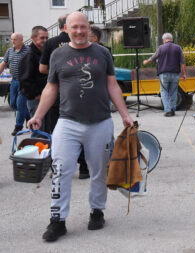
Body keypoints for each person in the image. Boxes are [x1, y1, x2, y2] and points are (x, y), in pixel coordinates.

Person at [27, 12, 134, 242]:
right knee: (60, 170)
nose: (79, 31)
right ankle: (58, 220)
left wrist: (125, 115)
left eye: (83, 27)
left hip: (100, 122)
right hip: (67, 122)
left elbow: (112, 85)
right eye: (74, 27)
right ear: (66, 28)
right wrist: (37, 115)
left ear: (89, 28)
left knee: (98, 171)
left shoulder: (103, 53)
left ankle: (97, 211)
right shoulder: (58, 54)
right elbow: (51, 88)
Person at [40, 14, 89, 179]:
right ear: (67, 26)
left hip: (59, 95)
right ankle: (84, 168)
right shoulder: (81, 43)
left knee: (58, 133)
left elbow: (42, 68)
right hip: (81, 92)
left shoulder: (50, 43)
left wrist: (60, 74)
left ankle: (59, 168)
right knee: (82, 132)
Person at [142, 33, 186, 117]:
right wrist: (184, 74)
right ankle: (173, 109)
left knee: (164, 92)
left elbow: (153, 57)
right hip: (175, 73)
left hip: (163, 73)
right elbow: (183, 62)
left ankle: (168, 111)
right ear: (171, 39)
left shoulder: (161, 48)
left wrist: (146, 61)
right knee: (173, 92)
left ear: (164, 40)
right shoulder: (178, 48)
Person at [19, 26, 50, 136]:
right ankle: (37, 152)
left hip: (44, 98)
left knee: (45, 131)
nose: (45, 40)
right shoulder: (29, 55)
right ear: (33, 37)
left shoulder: (42, 53)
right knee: (39, 132)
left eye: (47, 38)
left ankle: (45, 152)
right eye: (42, 38)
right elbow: (24, 80)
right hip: (36, 99)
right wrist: (37, 95)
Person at [0, 33, 30, 136]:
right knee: (13, 104)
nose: (13, 41)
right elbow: (3, 64)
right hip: (14, 81)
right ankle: (29, 117)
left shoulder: (28, 51)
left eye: (15, 39)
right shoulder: (9, 51)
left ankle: (18, 127)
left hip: (25, 82)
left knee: (20, 105)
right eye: (12, 39)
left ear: (21, 40)